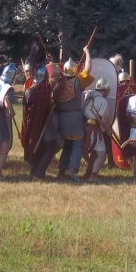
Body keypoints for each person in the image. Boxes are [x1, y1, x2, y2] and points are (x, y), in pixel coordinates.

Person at [54, 46, 94, 181]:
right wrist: (87, 52)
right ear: (75, 70)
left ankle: (61, 170)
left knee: (67, 145)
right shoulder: (78, 82)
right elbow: (88, 68)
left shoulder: (59, 83)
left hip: (61, 118)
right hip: (75, 118)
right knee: (77, 144)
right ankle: (72, 170)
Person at [22, 64, 58, 181]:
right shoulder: (45, 89)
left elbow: (25, 110)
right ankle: (38, 174)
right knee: (50, 147)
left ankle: (34, 172)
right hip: (43, 124)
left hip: (32, 125)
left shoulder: (28, 90)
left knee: (37, 148)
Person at [82, 77, 112, 182]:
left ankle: (88, 172)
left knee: (95, 153)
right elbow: (104, 119)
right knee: (102, 154)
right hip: (93, 130)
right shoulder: (102, 101)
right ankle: (93, 176)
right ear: (105, 90)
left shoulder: (88, 95)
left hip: (84, 128)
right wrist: (109, 130)